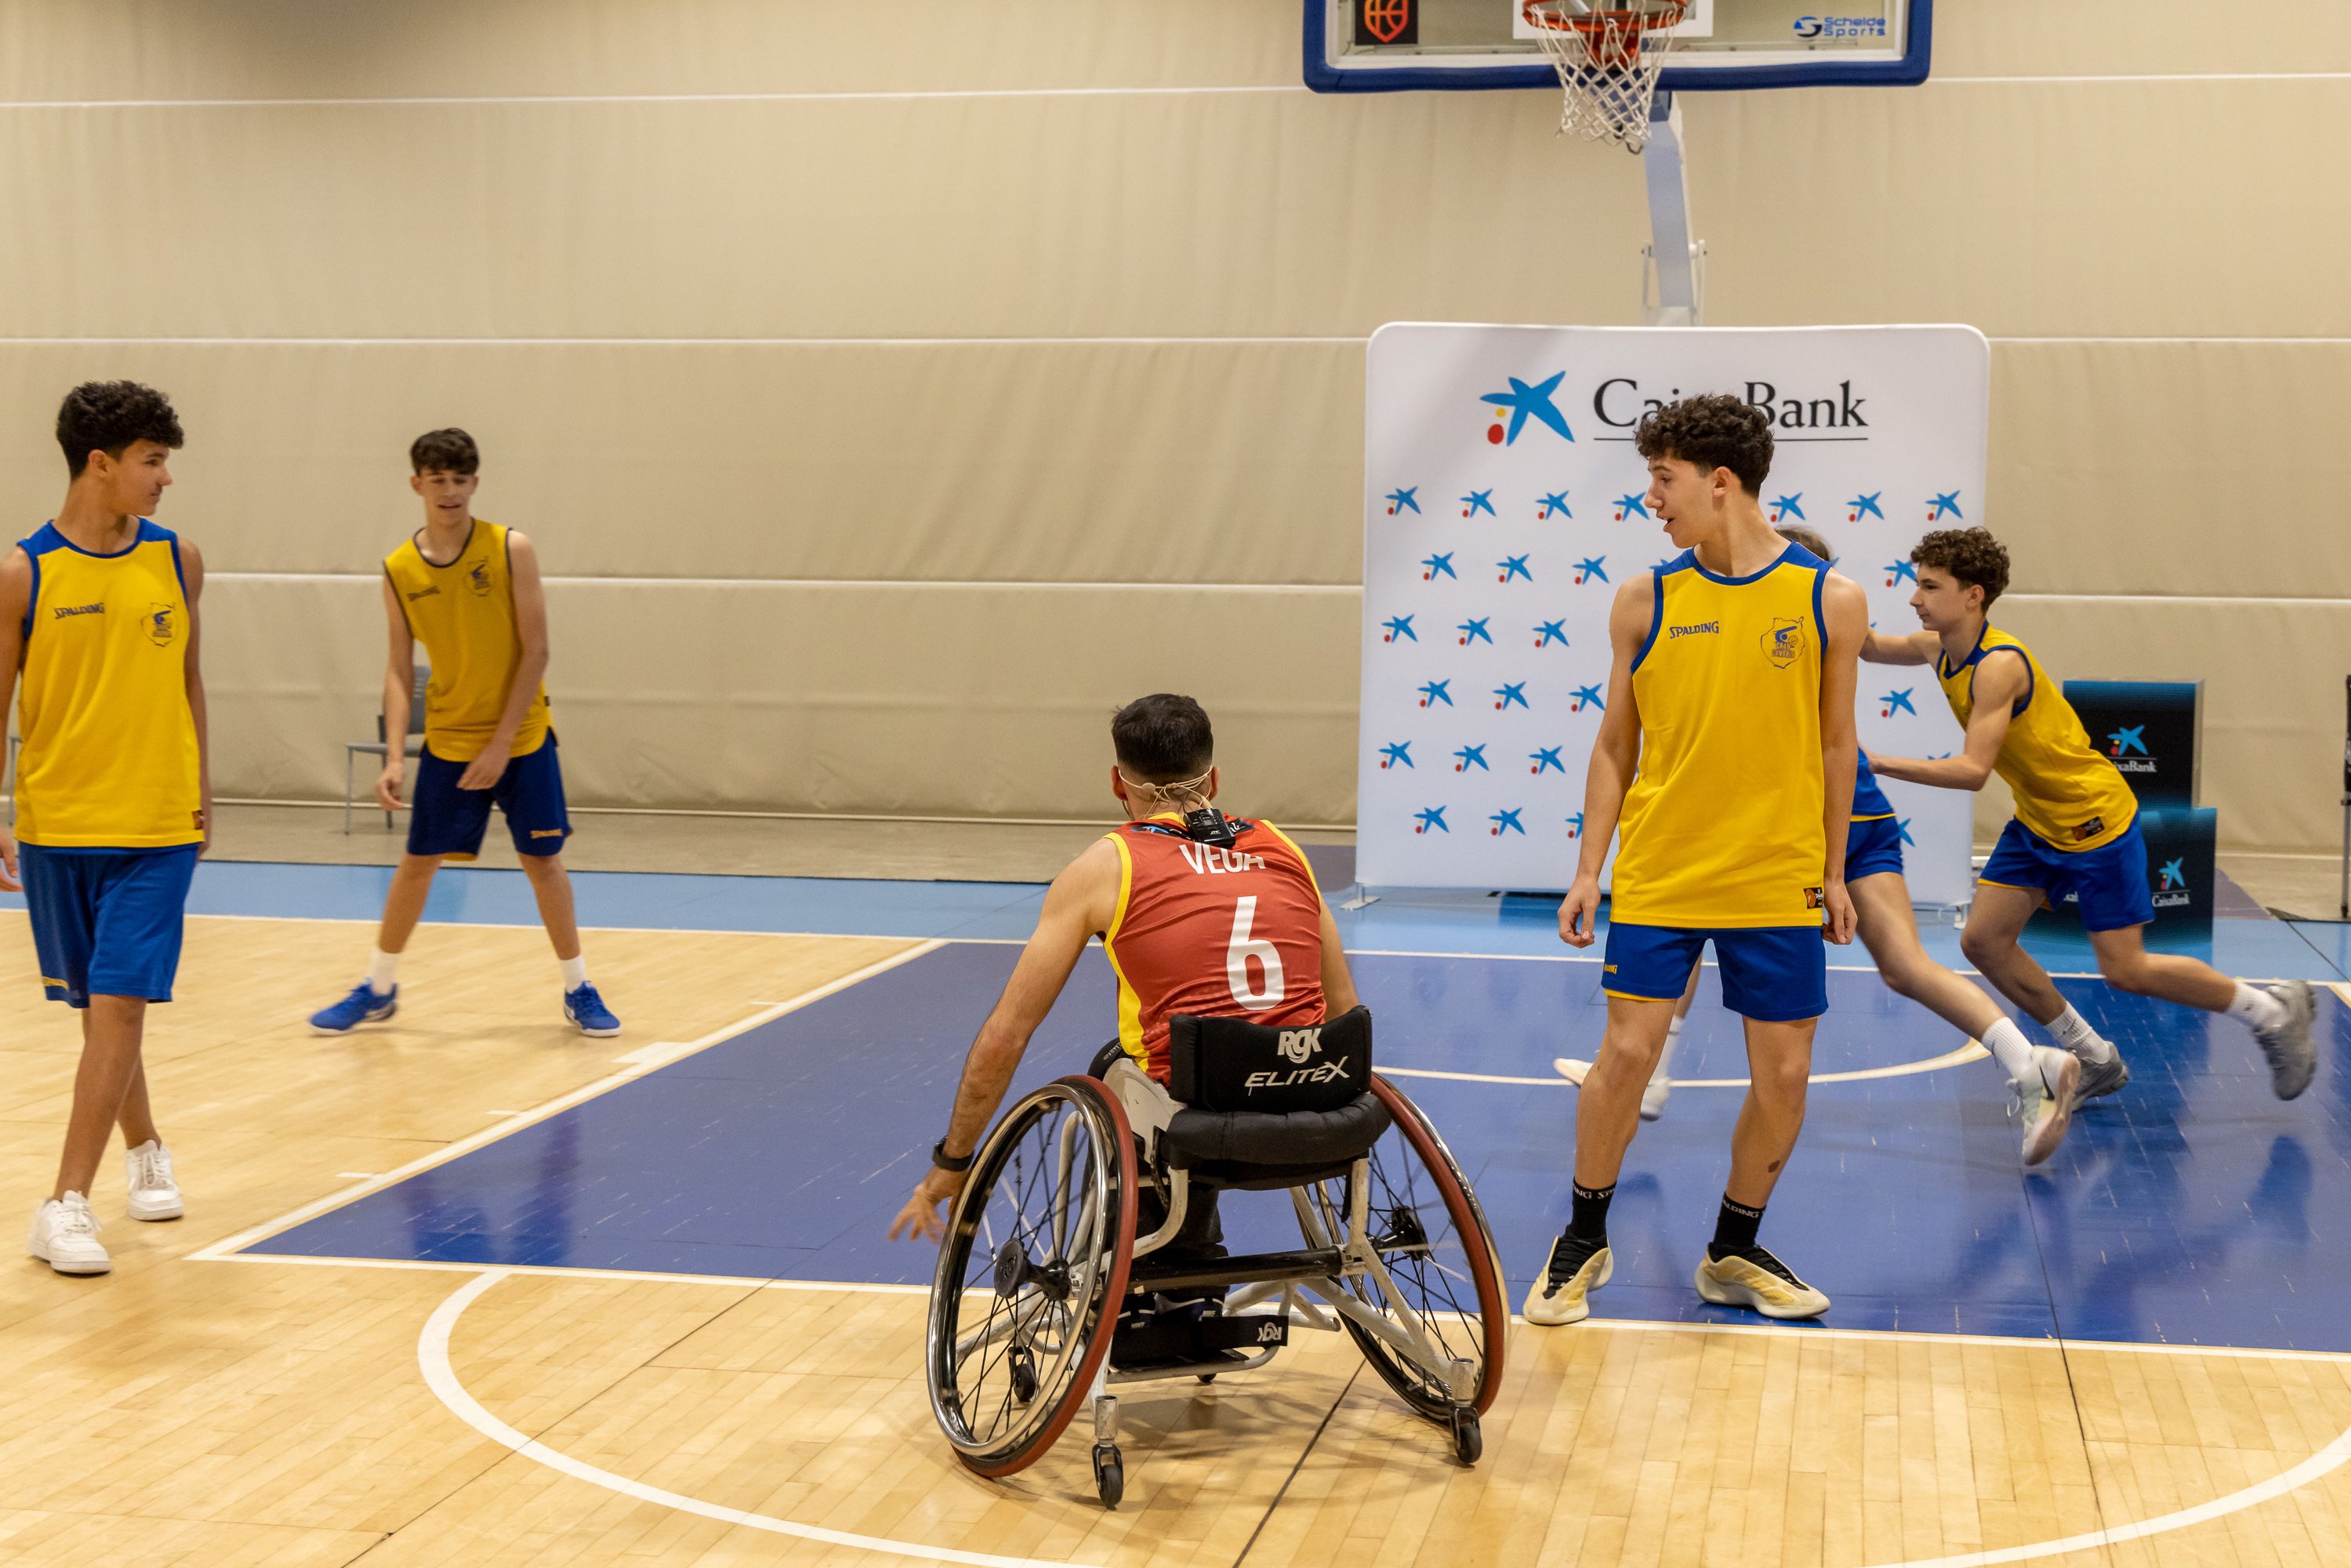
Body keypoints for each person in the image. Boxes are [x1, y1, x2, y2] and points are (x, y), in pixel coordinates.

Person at [1526, 394, 1865, 1330]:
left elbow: (1837, 744)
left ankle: (1731, 1247)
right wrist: (1588, 866)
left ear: (1719, 482)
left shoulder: (1827, 597)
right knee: (1626, 1053)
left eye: (1662, 479)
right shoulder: (1645, 596)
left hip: (1777, 872)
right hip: (1662, 870)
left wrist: (1833, 870)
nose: (1651, 498)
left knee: (1784, 1076)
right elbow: (1611, 746)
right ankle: (1580, 1237)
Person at [1630, 523, 2081, 1167]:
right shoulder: (1827, 628)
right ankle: (2026, 1059)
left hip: (1817, 830)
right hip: (1863, 811)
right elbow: (1864, 641)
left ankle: (1652, 1076)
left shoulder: (1770, 642)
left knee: (1694, 917)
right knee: (1904, 965)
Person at [887, 692, 1359, 1250]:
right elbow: (1343, 1007)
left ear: (1118, 783)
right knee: (1211, 1054)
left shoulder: (1103, 868)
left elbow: (1006, 1034)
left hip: (1204, 1107)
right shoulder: (1285, 849)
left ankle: (1171, 1274)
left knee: (1118, 1068)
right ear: (1212, 781)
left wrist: (954, 1159)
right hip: (1315, 1097)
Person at [1864, 527, 2315, 1102]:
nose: (1914, 598)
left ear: (1973, 595)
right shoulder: (1936, 649)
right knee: (1983, 943)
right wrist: (1809, 587)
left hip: (2093, 823)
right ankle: (2092, 1054)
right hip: (2038, 822)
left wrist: (1874, 762)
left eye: (1929, 586)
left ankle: (2270, 1009)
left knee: (2125, 969)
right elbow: (1866, 644)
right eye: (1916, 584)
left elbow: (1973, 771)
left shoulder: (1997, 665)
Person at [307, 429, 619, 1038]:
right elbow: (399, 669)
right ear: (416, 483)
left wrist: (502, 744)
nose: (448, 491)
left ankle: (578, 987)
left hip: (521, 738)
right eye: (437, 478)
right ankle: (378, 986)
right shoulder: (399, 568)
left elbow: (537, 651)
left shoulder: (509, 549)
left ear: (475, 483)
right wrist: (395, 756)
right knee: (417, 862)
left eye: (460, 479)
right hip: (450, 740)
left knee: (543, 861)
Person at [1, 381, 206, 1275]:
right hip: (59, 820)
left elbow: (192, 678)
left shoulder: (180, 559)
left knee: (120, 1001)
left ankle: (64, 1204)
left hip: (159, 819)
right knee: (100, 1012)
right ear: (101, 463)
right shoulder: (21, 572)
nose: (164, 479)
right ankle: (146, 1146)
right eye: (152, 461)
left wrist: (204, 784)